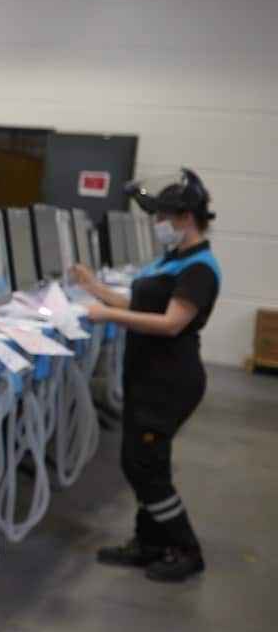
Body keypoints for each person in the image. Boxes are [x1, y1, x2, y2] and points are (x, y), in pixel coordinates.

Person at [71, 168, 221, 583]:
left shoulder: (199, 269)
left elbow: (171, 323)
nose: (157, 224)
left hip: (169, 382)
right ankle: (149, 542)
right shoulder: (174, 260)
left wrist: (106, 315)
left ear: (185, 218)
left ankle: (186, 549)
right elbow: (141, 304)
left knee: (143, 466)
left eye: (161, 217)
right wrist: (94, 288)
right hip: (149, 376)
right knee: (146, 463)